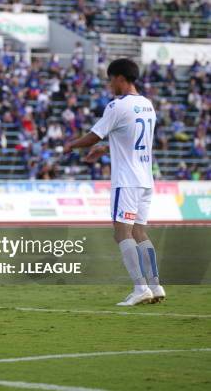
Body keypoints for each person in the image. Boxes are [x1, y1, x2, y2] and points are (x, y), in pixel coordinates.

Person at [64, 58, 165, 306]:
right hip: (145, 179)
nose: (110, 85)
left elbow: (92, 136)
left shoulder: (117, 106)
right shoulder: (147, 105)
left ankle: (140, 288)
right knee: (139, 231)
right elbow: (133, 142)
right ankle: (155, 285)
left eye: (110, 80)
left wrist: (71, 145)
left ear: (120, 78)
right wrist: (106, 150)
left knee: (121, 233)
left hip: (126, 180)